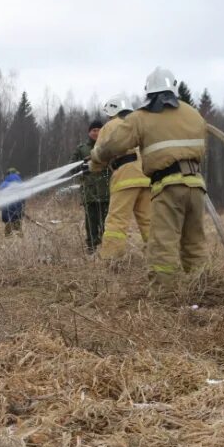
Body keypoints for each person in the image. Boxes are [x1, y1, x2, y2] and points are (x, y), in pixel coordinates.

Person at [90, 67, 208, 290]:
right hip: (196, 185)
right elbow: (201, 148)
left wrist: (95, 157)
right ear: (174, 87)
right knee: (194, 242)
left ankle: (166, 293)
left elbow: (114, 146)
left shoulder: (141, 117)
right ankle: (201, 287)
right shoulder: (193, 114)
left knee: (163, 242)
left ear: (148, 91)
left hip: (168, 186)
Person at [95, 94, 152, 258]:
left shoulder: (111, 125)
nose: (108, 117)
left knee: (117, 220)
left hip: (126, 177)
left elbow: (101, 152)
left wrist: (92, 165)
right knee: (150, 221)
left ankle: (110, 258)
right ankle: (158, 257)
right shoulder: (139, 125)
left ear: (113, 110)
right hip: (147, 177)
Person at [72, 120, 111, 253]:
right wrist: (83, 166)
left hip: (106, 191)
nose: (96, 132)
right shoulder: (81, 148)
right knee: (91, 221)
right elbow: (72, 168)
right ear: (89, 132)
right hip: (89, 192)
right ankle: (92, 247)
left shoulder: (108, 146)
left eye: (99, 129)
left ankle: (106, 247)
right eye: (93, 130)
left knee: (106, 220)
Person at [0, 167, 25, 236]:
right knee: (17, 224)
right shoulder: (20, 183)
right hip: (18, 209)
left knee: (8, 225)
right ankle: (19, 237)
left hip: (6, 209)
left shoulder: (3, 184)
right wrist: (23, 208)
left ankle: (8, 235)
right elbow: (23, 198)